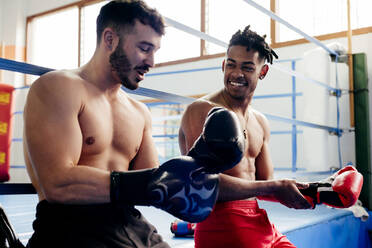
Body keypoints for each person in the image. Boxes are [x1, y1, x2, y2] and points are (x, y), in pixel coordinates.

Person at [6, 1, 242, 247]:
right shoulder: (59, 87)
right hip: (70, 228)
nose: (151, 61)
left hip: (130, 225)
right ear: (110, 39)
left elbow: (158, 185)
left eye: (154, 51)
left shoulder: (138, 112)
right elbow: (58, 184)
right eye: (144, 48)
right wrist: (154, 181)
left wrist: (199, 166)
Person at [179, 26, 312, 248]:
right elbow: (201, 182)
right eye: (231, 64)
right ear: (223, 65)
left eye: (247, 67)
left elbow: (264, 183)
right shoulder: (202, 110)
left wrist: (319, 191)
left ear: (263, 71)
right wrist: (275, 185)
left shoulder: (260, 122)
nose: (237, 74)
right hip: (221, 221)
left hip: (258, 219)